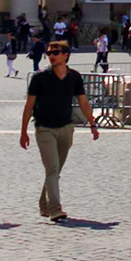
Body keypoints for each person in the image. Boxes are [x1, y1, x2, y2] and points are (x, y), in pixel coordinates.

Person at [19, 41, 98, 223]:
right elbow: (29, 105)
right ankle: (55, 210)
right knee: (52, 169)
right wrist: (23, 132)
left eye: (55, 52)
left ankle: (44, 204)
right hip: (44, 129)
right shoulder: (39, 78)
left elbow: (84, 103)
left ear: (65, 55)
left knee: (55, 170)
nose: (51, 55)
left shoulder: (74, 77)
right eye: (49, 53)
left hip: (66, 129)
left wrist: (92, 125)